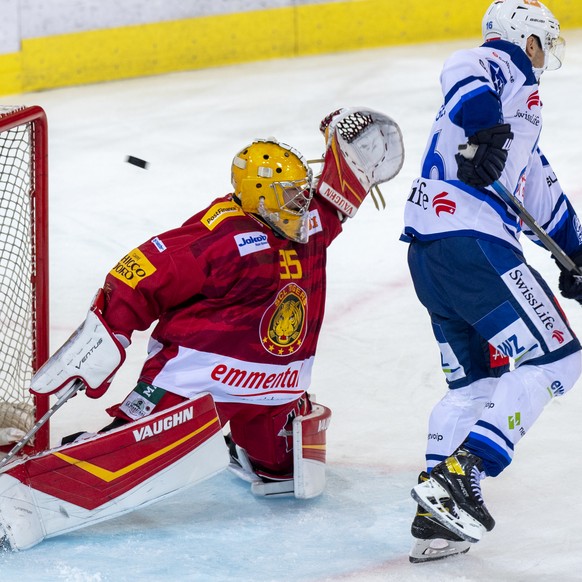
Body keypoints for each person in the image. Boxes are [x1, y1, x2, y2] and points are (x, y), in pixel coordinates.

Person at [7, 108, 404, 550]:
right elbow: (136, 274)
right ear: (258, 197)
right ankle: (44, 481)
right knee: (128, 457)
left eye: (302, 192)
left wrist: (350, 158)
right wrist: (103, 340)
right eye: (290, 195)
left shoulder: (306, 224)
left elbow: (332, 201)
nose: (301, 203)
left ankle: (244, 444)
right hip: (196, 384)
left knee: (289, 475)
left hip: (272, 393)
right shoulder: (220, 237)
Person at [401, 0, 582, 563]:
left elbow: (541, 195)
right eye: (538, 43)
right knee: (558, 358)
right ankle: (464, 473)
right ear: (520, 35)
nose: (541, 56)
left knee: (476, 387)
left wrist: (577, 258)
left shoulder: (516, 127)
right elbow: (462, 69)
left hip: (433, 254)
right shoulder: (499, 67)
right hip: (473, 243)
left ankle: (436, 516)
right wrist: (488, 132)